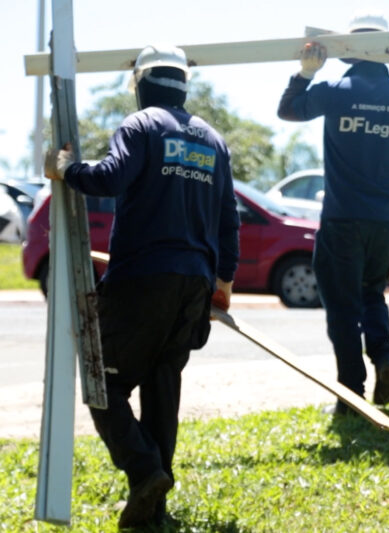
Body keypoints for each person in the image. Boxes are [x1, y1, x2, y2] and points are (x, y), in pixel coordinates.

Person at [44, 44, 240, 527]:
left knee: (103, 385)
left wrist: (66, 168)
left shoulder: (142, 125)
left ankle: (144, 470)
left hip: (143, 279)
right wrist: (223, 285)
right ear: (183, 85)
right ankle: (154, 508)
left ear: (140, 85)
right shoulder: (212, 140)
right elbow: (228, 223)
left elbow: (109, 178)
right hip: (194, 283)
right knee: (161, 390)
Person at [277, 12, 389, 415]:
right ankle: (385, 356)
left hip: (342, 220)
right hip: (384, 224)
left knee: (343, 307)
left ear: (351, 50)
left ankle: (351, 395)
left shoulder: (335, 89)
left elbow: (288, 110)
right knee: (370, 294)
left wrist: (305, 73)